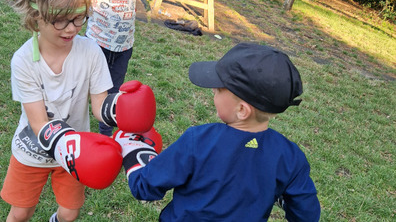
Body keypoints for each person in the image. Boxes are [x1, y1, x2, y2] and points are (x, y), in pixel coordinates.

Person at [1, 0, 156, 222]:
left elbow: (99, 105)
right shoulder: (24, 60)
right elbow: (39, 123)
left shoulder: (91, 51)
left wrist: (122, 109)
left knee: (70, 213)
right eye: (61, 21)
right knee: (20, 212)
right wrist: (73, 146)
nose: (72, 28)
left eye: (78, 18)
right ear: (35, 15)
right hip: (33, 151)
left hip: (77, 154)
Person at [114, 43, 321, 221]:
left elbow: (145, 188)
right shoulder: (291, 157)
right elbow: (307, 215)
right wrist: (275, 189)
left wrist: (132, 148)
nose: (213, 90)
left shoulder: (198, 141)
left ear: (242, 110)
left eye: (219, 88)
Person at [82, 0, 157, 136]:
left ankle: (104, 139)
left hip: (124, 47)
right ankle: (68, 128)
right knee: (85, 89)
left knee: (113, 94)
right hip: (97, 43)